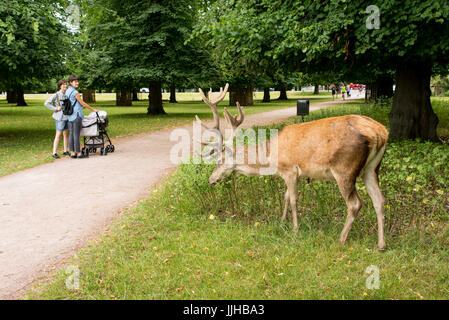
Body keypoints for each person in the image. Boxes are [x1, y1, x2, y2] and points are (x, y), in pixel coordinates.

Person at [66, 75, 99, 159]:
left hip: (70, 115)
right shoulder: (75, 92)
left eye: (77, 81)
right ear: (70, 82)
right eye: (75, 81)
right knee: (76, 134)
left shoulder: (67, 91)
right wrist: (93, 110)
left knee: (71, 134)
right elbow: (83, 103)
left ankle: (72, 153)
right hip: (76, 116)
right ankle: (79, 153)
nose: (77, 83)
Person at [44, 79, 70, 159]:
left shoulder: (67, 94)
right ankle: (54, 152)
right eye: (63, 85)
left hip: (67, 117)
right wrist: (55, 108)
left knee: (66, 134)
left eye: (65, 84)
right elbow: (46, 103)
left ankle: (65, 150)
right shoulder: (56, 95)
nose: (65, 86)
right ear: (60, 86)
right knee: (58, 135)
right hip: (60, 118)